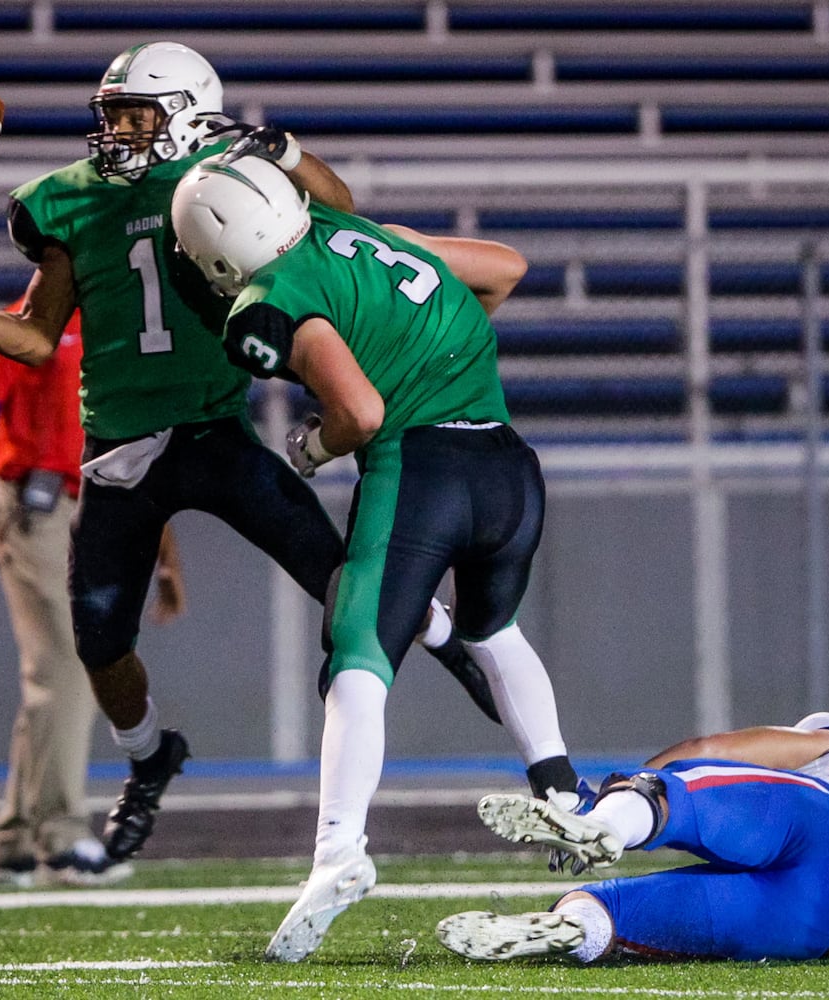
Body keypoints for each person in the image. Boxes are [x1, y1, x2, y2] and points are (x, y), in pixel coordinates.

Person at [0, 40, 496, 867]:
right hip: (118, 450)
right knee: (98, 643)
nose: (118, 132)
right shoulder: (64, 202)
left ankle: (446, 637)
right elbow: (34, 339)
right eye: (110, 116)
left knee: (335, 573)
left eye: (134, 114)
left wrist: (284, 151)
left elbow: (339, 206)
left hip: (213, 430)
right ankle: (148, 761)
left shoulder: (223, 173)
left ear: (184, 114)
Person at [170, 155, 590, 962]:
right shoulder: (365, 234)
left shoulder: (275, 297)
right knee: (491, 630)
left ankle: (337, 852)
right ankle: (565, 797)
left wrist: (310, 446)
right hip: (508, 465)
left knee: (357, 657)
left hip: (420, 472)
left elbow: (359, 411)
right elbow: (503, 272)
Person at [0, 301, 186, 886]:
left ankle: (16, 841)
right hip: (39, 508)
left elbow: (141, 450)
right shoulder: (30, 322)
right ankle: (59, 838)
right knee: (66, 668)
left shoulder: (120, 325)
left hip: (97, 510)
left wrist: (166, 551)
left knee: (53, 680)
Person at [436, 711, 829, 964]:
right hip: (822, 921)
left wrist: (624, 788)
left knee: (674, 796)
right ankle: (573, 928)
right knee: (610, 912)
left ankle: (607, 820)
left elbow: (716, 747)